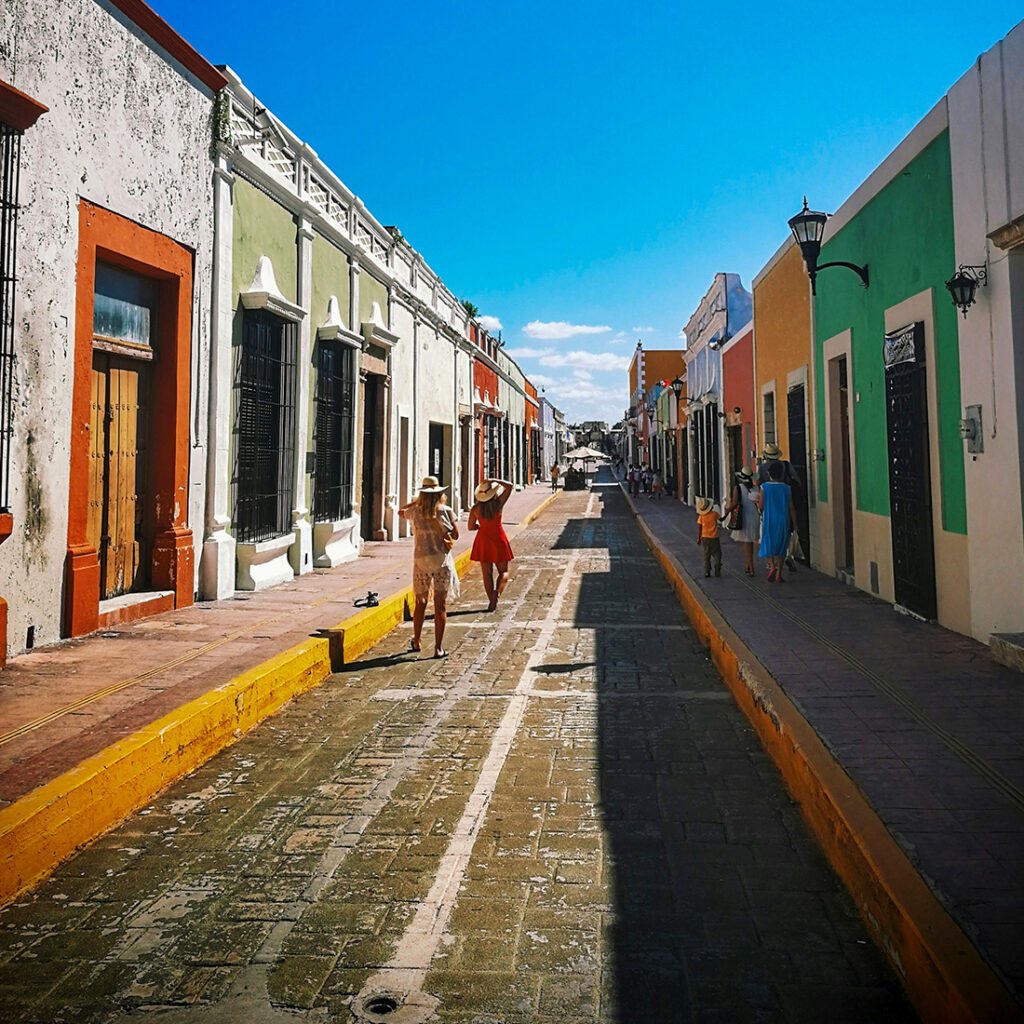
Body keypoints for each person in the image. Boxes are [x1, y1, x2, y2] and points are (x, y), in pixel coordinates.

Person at [398, 476, 460, 657]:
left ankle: (417, 641)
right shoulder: (446, 511)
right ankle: (438, 648)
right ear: (439, 493)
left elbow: (401, 511)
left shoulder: (415, 512)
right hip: (442, 562)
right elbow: (455, 535)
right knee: (440, 605)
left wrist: (417, 501)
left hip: (421, 562)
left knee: (420, 603)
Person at [468, 478, 515, 612]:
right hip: (498, 538)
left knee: (487, 574)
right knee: (504, 571)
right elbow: (509, 486)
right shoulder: (498, 504)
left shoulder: (475, 509)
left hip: (483, 539)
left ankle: (491, 601)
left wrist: (479, 526)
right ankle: (497, 594)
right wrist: (494, 480)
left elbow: (470, 527)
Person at [757, 442, 800, 573]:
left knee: (768, 538)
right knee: (785, 536)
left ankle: (771, 564)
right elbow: (797, 480)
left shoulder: (762, 469)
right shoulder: (786, 465)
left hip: (770, 509)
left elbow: (759, 488)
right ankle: (787, 556)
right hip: (784, 506)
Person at [721, 467, 760, 576]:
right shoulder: (756, 488)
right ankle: (748, 565)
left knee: (746, 544)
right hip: (754, 517)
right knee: (750, 543)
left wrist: (726, 514)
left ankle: (751, 568)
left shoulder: (738, 488)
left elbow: (733, 504)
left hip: (744, 518)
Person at [695, 496, 723, 578]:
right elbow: (721, 519)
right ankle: (717, 567)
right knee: (717, 554)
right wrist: (728, 512)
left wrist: (698, 538)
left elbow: (699, 528)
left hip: (705, 538)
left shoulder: (701, 516)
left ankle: (707, 571)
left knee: (706, 555)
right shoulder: (714, 514)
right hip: (715, 537)